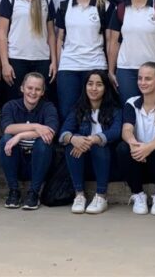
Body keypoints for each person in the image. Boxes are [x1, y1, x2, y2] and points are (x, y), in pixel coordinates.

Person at [118, 62, 155, 216]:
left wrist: (148, 148)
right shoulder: (131, 103)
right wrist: (133, 144)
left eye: (148, 79)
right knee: (123, 148)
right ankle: (138, 194)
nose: (142, 82)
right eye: (140, 78)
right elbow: (126, 130)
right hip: (138, 161)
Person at [60, 71, 122, 215]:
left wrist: (94, 139)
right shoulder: (78, 108)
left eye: (99, 84)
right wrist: (73, 139)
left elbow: (116, 131)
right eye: (90, 84)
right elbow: (63, 132)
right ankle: (79, 195)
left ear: (106, 88)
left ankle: (101, 196)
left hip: (106, 163)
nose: (94, 88)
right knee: (72, 143)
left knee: (99, 145)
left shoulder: (115, 110)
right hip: (81, 163)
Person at [0, 0, 56, 103]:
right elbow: (2, 34)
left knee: (41, 103)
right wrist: (5, 64)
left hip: (42, 59)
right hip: (16, 59)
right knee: (15, 102)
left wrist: (54, 61)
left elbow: (51, 34)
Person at [54, 0, 109, 120]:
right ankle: (69, 136)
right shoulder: (64, 6)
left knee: (95, 113)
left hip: (95, 65)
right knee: (67, 111)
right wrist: (58, 65)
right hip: (69, 66)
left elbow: (110, 39)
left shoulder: (103, 6)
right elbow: (60, 38)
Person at [0, 73, 59, 210]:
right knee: (5, 140)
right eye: (29, 88)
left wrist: (19, 136)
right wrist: (36, 126)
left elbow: (50, 132)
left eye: (37, 89)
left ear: (43, 92)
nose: (33, 92)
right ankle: (14, 191)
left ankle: (34, 193)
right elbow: (8, 128)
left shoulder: (48, 107)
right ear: (22, 88)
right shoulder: (10, 106)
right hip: (17, 162)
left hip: (39, 163)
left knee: (44, 142)